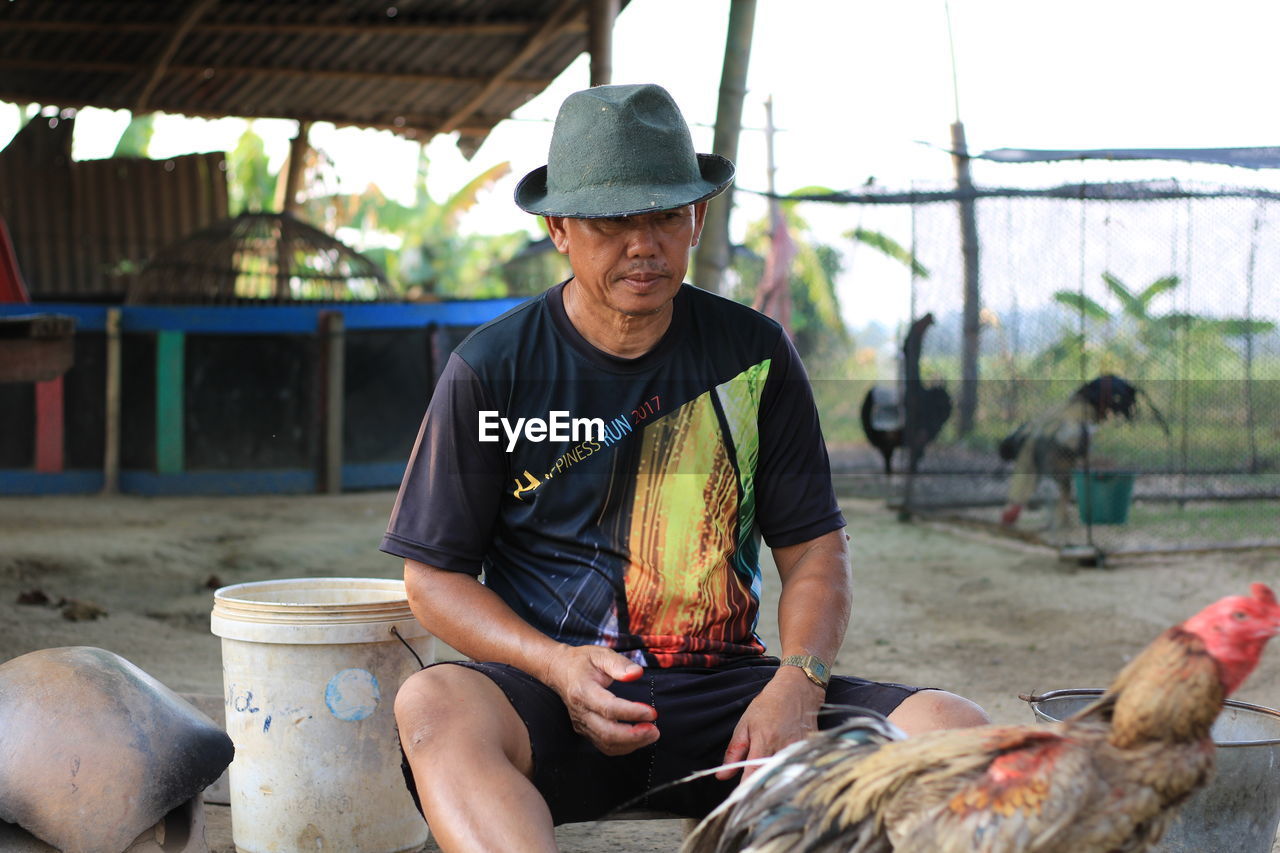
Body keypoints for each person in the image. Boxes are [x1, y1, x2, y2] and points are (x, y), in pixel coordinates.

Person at [381, 82, 988, 852]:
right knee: (433, 702)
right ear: (559, 228)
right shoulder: (492, 370)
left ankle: (753, 825)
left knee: (954, 730)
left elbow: (814, 553)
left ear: (696, 218)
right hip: (559, 694)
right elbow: (432, 578)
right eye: (612, 221)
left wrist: (796, 684)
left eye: (666, 215)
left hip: (733, 700)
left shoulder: (755, 356)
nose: (644, 243)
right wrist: (558, 665)